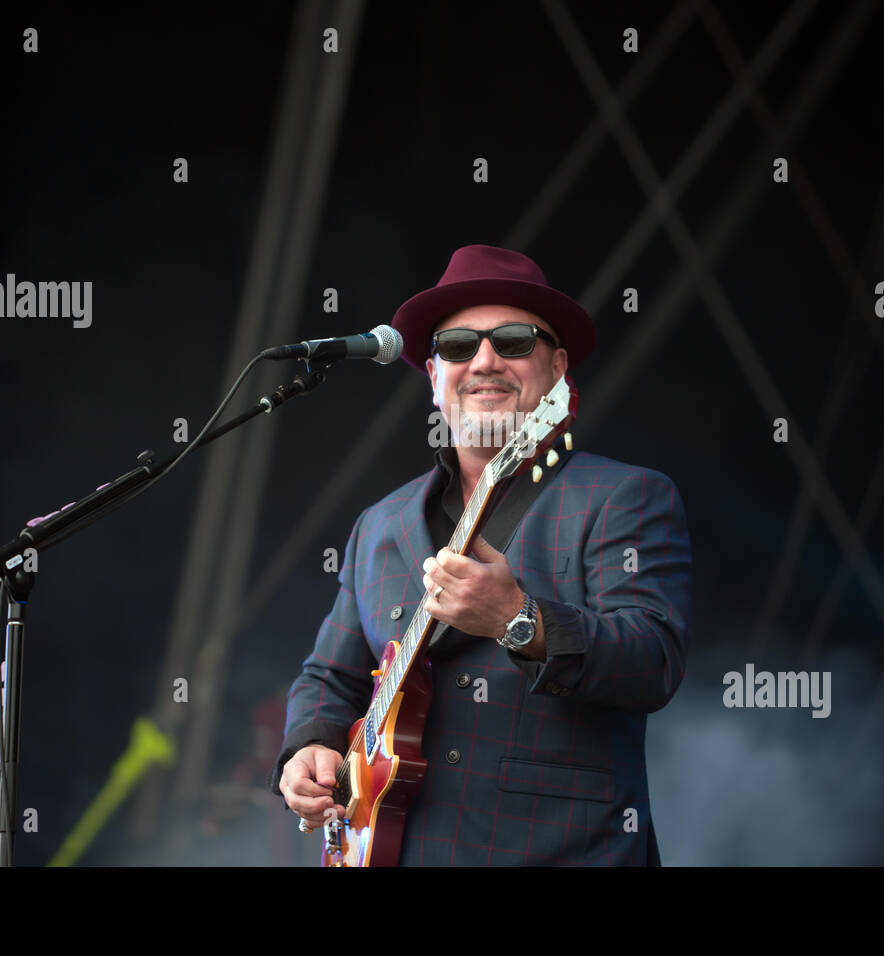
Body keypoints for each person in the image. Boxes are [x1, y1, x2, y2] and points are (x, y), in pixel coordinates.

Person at [270, 244, 691, 865]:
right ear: (435, 379)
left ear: (558, 369)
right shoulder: (379, 524)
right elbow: (329, 677)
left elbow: (653, 660)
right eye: (458, 346)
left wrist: (518, 620)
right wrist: (309, 744)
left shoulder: (625, 495)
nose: (485, 360)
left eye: (515, 341)